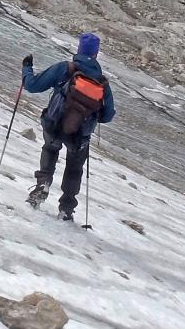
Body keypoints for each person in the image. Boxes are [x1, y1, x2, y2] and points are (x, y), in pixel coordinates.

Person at [21, 32, 115, 221]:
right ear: (96, 55)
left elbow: (31, 86)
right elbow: (107, 116)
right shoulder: (102, 83)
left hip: (54, 125)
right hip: (80, 135)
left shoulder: (66, 68)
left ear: (79, 50)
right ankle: (66, 208)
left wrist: (27, 68)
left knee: (50, 148)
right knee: (74, 168)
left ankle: (43, 183)